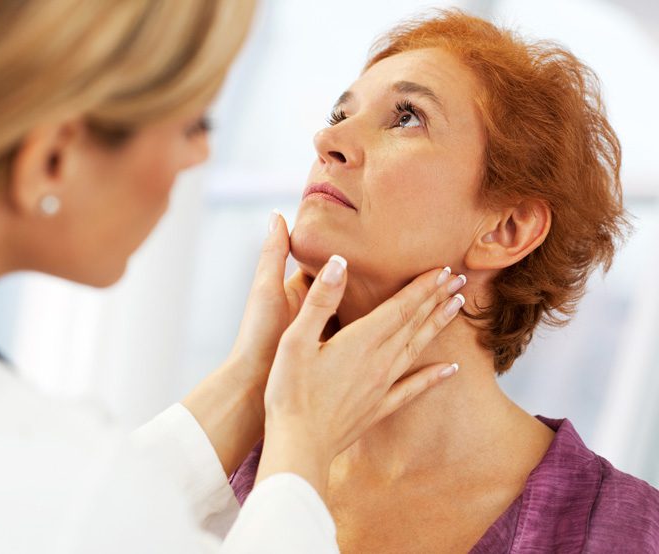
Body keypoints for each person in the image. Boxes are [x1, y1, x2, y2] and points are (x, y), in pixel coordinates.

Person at [0, 1, 468, 552]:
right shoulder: (24, 468)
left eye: (407, 117)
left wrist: (252, 381)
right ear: (51, 158)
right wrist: (301, 440)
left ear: (511, 228)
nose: (198, 156)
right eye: (193, 123)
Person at [230, 9, 659, 553]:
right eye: (339, 112)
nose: (327, 137)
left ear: (507, 229)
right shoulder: (219, 478)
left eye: (406, 117)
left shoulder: (625, 534)